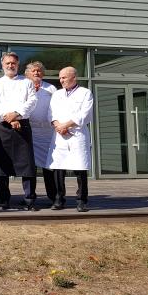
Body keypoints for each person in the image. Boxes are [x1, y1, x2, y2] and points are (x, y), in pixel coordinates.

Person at [0, 52, 38, 211]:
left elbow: (32, 101)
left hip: (22, 125)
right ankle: (4, 199)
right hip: (3, 126)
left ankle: (29, 199)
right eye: (7, 63)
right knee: (2, 165)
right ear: (2, 65)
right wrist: (8, 117)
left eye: (13, 63)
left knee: (27, 164)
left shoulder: (27, 82)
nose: (10, 65)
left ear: (18, 65)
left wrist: (16, 114)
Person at [45, 67, 94, 212]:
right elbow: (50, 113)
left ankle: (82, 200)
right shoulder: (57, 94)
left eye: (64, 78)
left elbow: (84, 114)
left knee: (80, 168)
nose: (61, 80)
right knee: (58, 168)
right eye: (60, 78)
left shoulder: (85, 93)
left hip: (77, 135)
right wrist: (58, 126)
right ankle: (59, 199)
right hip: (59, 136)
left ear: (74, 77)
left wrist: (66, 125)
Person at [25, 61, 57, 204]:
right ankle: (30, 198)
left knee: (49, 167)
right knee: (30, 166)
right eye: (33, 71)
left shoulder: (51, 88)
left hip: (47, 133)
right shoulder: (23, 87)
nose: (36, 73)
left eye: (39, 71)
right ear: (27, 74)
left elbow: (58, 107)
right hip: (29, 131)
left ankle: (53, 197)